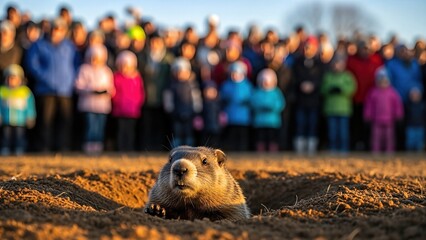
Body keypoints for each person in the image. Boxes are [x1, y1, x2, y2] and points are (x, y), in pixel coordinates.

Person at [25, 17, 80, 152]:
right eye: (54, 28)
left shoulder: (70, 47)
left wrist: (69, 79)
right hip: (45, 89)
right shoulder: (38, 45)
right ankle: (44, 147)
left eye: (60, 29)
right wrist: (45, 78)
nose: (56, 32)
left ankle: (62, 147)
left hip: (65, 90)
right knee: (45, 121)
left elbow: (76, 65)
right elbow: (32, 64)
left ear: (64, 31)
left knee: (65, 120)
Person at [75, 45, 114, 154]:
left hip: (102, 105)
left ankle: (98, 146)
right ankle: (89, 146)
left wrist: (105, 91)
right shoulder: (84, 69)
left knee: (100, 127)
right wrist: (91, 90)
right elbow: (78, 85)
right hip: (88, 104)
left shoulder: (106, 71)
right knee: (90, 126)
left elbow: (111, 87)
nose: (95, 60)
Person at [139, 32, 174, 150]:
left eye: (157, 42)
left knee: (160, 125)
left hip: (162, 97)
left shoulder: (168, 58)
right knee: (147, 125)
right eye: (152, 42)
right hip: (146, 97)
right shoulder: (143, 57)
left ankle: (158, 147)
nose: (155, 45)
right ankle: (146, 147)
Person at [346, 39, 384, 151]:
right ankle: (354, 145)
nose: (364, 51)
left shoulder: (376, 60)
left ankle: (367, 145)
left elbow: (381, 76)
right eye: (362, 48)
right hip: (355, 98)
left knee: (368, 125)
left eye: (366, 48)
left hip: (372, 99)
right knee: (355, 123)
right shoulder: (351, 61)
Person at [292, 36, 325, 154]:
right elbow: (294, 78)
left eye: (310, 47)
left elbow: (322, 79)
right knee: (300, 123)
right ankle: (300, 148)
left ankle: (311, 148)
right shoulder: (298, 63)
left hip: (314, 100)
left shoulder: (320, 64)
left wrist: (313, 86)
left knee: (312, 124)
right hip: (301, 99)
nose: (307, 50)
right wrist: (301, 85)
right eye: (306, 47)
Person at [321, 55, 357, 154]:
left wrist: (342, 89)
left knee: (343, 132)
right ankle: (333, 149)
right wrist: (330, 89)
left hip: (344, 109)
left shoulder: (347, 76)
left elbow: (352, 88)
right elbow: (323, 88)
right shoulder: (328, 76)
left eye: (339, 64)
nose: (337, 66)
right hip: (331, 108)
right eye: (335, 64)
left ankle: (343, 149)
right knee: (332, 132)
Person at [364, 67, 404, 153]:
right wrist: (367, 115)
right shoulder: (373, 92)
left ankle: (389, 151)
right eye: (380, 80)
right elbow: (369, 105)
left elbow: (397, 104)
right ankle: (376, 151)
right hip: (376, 120)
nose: (383, 83)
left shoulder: (392, 92)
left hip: (389, 120)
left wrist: (398, 114)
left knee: (389, 137)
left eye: (385, 80)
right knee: (376, 137)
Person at [163, 57, 202, 147]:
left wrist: (197, 108)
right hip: (176, 113)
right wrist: (169, 108)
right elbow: (168, 97)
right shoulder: (171, 85)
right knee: (177, 132)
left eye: (184, 72)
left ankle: (189, 149)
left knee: (188, 132)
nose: (181, 74)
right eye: (178, 72)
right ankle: (176, 148)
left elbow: (196, 97)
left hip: (189, 113)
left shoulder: (192, 85)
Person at [112, 50, 145, 151]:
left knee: (130, 131)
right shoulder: (116, 77)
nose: (124, 68)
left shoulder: (136, 78)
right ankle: (121, 148)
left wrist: (137, 104)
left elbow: (140, 93)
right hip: (120, 109)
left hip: (132, 111)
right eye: (122, 65)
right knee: (121, 130)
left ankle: (129, 148)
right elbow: (113, 92)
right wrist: (117, 102)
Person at [0, 64, 36, 155]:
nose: (12, 81)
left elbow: (30, 106)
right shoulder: (2, 91)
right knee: (6, 136)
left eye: (14, 78)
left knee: (20, 136)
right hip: (6, 120)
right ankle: (5, 148)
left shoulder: (25, 92)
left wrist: (30, 116)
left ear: (20, 79)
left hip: (20, 121)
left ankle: (19, 148)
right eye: (9, 78)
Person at [220, 61, 253, 151]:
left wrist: (246, 101)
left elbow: (251, 98)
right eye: (233, 73)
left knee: (242, 136)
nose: (235, 76)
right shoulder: (226, 85)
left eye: (238, 73)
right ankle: (232, 150)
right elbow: (222, 98)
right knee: (231, 135)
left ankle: (243, 150)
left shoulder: (247, 86)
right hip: (230, 116)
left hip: (243, 117)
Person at [251, 68, 285, 152]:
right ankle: (260, 152)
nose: (265, 83)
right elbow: (253, 102)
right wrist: (260, 107)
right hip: (260, 121)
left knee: (273, 138)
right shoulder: (257, 92)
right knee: (260, 138)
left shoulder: (276, 92)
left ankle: (273, 152)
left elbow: (280, 104)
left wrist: (272, 108)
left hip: (273, 121)